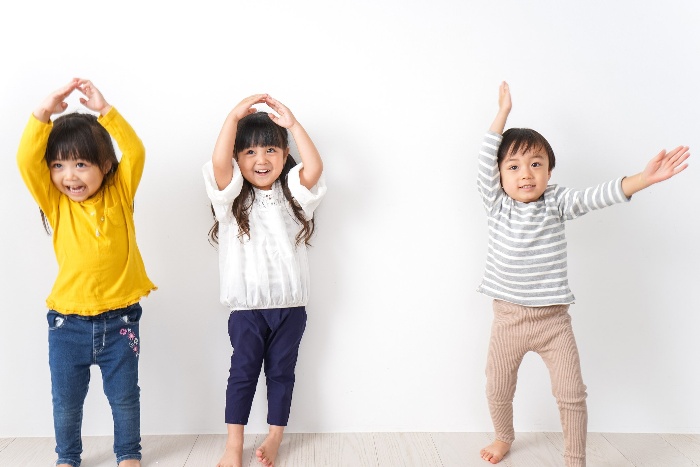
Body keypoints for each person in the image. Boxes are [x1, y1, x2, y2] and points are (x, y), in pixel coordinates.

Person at [476, 82, 689, 467]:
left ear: (550, 171)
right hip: (507, 320)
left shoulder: (557, 201)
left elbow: (600, 194)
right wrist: (502, 114)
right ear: (499, 177)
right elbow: (484, 159)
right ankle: (503, 436)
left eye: (536, 164)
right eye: (513, 166)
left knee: (572, 393)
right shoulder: (497, 205)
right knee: (498, 387)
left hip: (554, 322)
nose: (526, 173)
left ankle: (575, 458)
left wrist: (643, 178)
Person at [16, 78, 156, 467]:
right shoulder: (56, 203)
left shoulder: (120, 192)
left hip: (120, 320)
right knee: (66, 400)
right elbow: (27, 161)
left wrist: (106, 112)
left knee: (125, 396)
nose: (69, 176)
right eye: (58, 165)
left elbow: (136, 150)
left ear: (105, 165)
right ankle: (68, 457)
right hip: (67, 325)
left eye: (81, 163)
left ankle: (128, 453)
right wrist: (42, 114)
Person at [203, 94, 326, 467]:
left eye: (271, 150)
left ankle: (274, 437)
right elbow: (218, 163)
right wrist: (232, 117)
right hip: (247, 309)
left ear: (284, 152)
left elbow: (315, 169)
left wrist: (294, 124)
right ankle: (232, 445)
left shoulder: (294, 196)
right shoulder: (231, 200)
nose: (261, 160)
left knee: (281, 374)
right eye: (251, 153)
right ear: (239, 160)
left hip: (291, 308)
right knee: (242, 374)